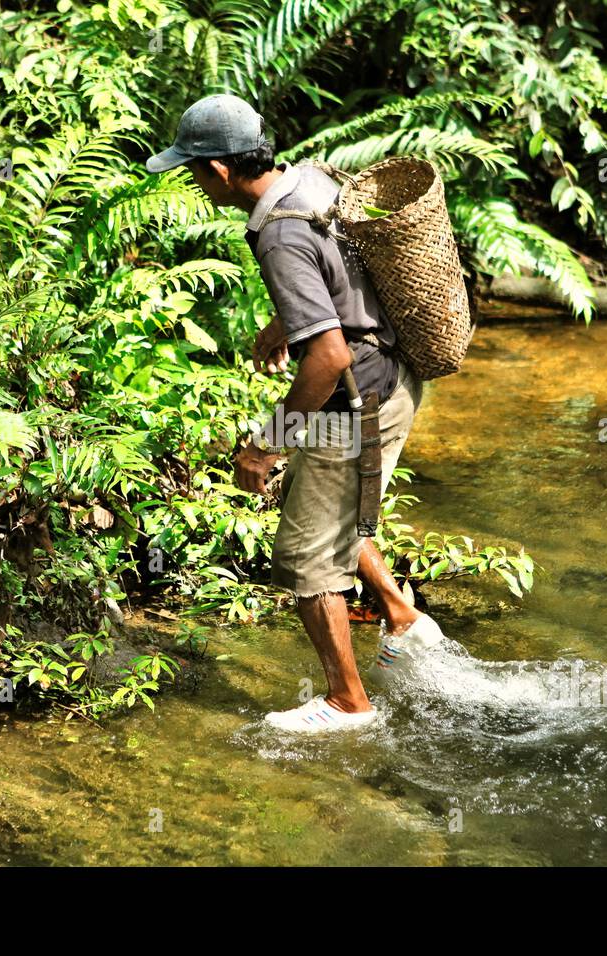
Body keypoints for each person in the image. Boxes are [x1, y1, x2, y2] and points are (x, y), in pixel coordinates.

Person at [145, 94, 444, 733]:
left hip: (356, 400)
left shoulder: (276, 231)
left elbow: (328, 357)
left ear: (221, 171)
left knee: (308, 559)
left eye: (195, 172)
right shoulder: (309, 181)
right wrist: (289, 320)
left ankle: (348, 704)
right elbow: (338, 272)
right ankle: (401, 617)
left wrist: (266, 444)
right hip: (393, 376)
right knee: (324, 517)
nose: (197, 185)